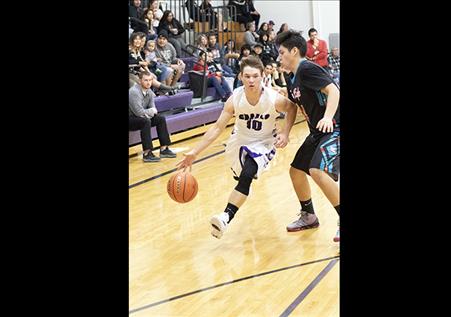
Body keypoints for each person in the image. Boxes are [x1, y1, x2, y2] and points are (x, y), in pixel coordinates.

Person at [177, 55, 298, 239]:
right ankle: (228, 212)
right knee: (242, 176)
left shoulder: (273, 98)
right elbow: (217, 128)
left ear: (262, 76)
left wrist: (285, 132)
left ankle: (225, 217)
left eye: (255, 76)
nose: (251, 80)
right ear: (241, 77)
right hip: (239, 141)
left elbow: (291, 108)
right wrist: (194, 152)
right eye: (247, 76)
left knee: (247, 174)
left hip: (264, 142)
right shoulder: (235, 99)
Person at [276, 30, 340, 242]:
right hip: (317, 132)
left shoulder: (307, 68)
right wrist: (285, 132)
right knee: (296, 171)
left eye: (282, 52)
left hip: (335, 127)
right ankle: (309, 215)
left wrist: (328, 117)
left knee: (317, 170)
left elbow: (334, 91)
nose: (279, 57)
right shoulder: (291, 75)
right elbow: (293, 107)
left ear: (294, 51)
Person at [129, 71, 177, 162]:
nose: (148, 82)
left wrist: (150, 112)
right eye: (146, 80)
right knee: (145, 121)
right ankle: (147, 153)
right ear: (140, 81)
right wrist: (150, 111)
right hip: (131, 118)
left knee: (160, 119)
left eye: (150, 80)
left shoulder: (149, 91)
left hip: (141, 116)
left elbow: (154, 109)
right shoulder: (134, 92)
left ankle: (164, 149)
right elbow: (139, 113)